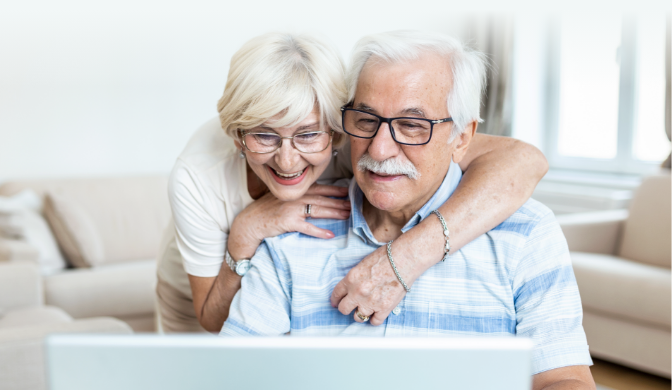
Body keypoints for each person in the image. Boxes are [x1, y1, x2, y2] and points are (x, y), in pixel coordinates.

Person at [219, 31, 595, 389]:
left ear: (461, 137)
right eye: (366, 121)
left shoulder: (527, 233)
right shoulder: (294, 229)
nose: (379, 150)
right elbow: (231, 376)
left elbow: (562, 380)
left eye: (412, 126)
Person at [156, 32, 549, 333]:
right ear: (238, 133)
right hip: (205, 289)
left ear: (335, 128)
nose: (287, 160)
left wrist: (407, 256)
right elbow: (210, 318)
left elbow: (524, 160)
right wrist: (246, 231)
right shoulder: (196, 175)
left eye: (308, 135)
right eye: (264, 135)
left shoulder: (364, 137)